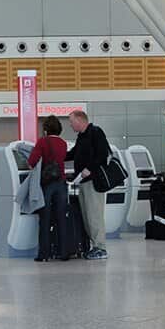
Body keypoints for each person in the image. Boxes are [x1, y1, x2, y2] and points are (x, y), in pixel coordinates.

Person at [66, 110, 111, 260]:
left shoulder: (96, 133)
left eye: (72, 121)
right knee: (87, 216)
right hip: (83, 181)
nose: (71, 125)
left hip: (94, 181)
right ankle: (94, 246)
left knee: (94, 215)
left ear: (80, 120)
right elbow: (73, 153)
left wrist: (89, 168)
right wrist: (57, 156)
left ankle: (101, 247)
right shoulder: (82, 136)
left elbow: (103, 154)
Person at [28, 115, 70, 262]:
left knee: (45, 219)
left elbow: (32, 161)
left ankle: (44, 254)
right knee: (61, 218)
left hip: (47, 184)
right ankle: (63, 253)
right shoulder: (63, 143)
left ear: (45, 130)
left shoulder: (42, 142)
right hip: (61, 183)